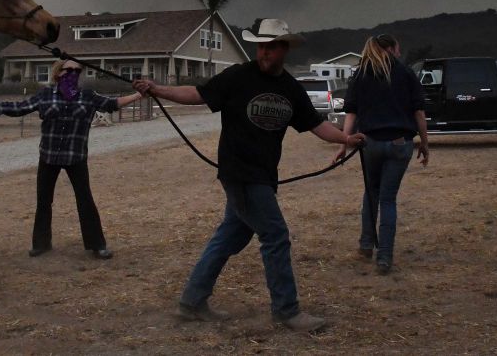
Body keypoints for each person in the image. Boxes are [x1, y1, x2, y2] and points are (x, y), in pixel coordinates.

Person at [133, 19, 365, 332]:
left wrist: (345, 139)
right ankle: (287, 310)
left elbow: (315, 124)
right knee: (275, 235)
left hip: (263, 174)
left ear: (284, 49)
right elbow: (198, 94)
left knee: (231, 234)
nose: (264, 52)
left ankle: (192, 301)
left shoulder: (290, 88)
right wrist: (157, 88)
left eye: (270, 46)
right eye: (260, 46)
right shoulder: (239, 76)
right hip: (240, 172)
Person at [0, 59, 142, 259]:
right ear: (58, 73)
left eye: (78, 70)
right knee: (43, 201)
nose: (74, 73)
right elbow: (20, 107)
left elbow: (112, 104)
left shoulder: (87, 96)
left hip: (75, 157)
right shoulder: (44, 95)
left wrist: (139, 94)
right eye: (70, 70)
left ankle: (97, 245)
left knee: (85, 200)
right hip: (49, 156)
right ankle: (41, 244)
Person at [333, 34, 429, 275]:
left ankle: (366, 245)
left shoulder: (361, 74)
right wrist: (425, 143)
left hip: (370, 143)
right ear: (391, 48)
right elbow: (419, 113)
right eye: (397, 48)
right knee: (388, 199)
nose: (399, 53)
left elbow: (351, 113)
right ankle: (384, 256)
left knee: (371, 194)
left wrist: (344, 143)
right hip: (399, 143)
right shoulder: (406, 73)